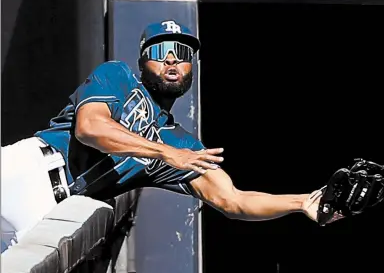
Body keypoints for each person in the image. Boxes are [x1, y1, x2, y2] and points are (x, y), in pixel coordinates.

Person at [0, 19, 336, 253]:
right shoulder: (116, 75)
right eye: (161, 51)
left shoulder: (184, 145)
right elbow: (91, 129)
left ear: (192, 66)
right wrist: (162, 152)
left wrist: (302, 202)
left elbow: (233, 201)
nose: (172, 58)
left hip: (49, 210)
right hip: (28, 167)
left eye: (182, 52)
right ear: (143, 60)